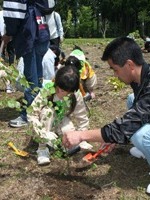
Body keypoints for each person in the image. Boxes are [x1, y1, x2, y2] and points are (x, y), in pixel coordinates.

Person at [62, 36, 150, 194]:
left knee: (142, 135)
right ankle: (146, 151)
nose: (115, 75)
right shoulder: (141, 77)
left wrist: (81, 135)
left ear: (129, 64)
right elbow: (138, 113)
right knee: (132, 101)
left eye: (115, 69)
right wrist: (112, 138)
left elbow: (126, 127)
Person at [27, 65, 92, 165]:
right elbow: (32, 114)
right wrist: (43, 133)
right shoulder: (47, 91)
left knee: (69, 133)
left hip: (62, 118)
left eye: (65, 91)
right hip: (45, 121)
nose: (60, 92)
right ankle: (43, 149)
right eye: (59, 89)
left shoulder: (75, 95)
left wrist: (81, 137)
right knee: (48, 112)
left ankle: (63, 145)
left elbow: (82, 117)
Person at [2, 0, 54, 127]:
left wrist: (9, 33)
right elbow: (50, 6)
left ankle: (28, 115)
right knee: (38, 77)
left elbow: (12, 15)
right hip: (42, 31)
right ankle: (39, 106)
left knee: (31, 79)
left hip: (29, 35)